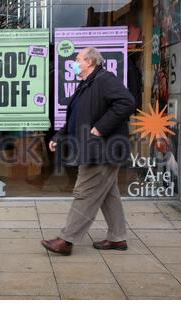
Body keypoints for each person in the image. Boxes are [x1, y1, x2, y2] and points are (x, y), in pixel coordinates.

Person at [41, 47, 135, 255]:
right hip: (93, 148)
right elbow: (75, 118)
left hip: (102, 150)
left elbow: (127, 102)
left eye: (77, 59)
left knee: (84, 192)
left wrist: (101, 127)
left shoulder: (104, 79)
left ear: (90, 62)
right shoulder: (86, 84)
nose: (74, 63)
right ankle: (118, 239)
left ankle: (67, 239)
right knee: (109, 195)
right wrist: (58, 137)